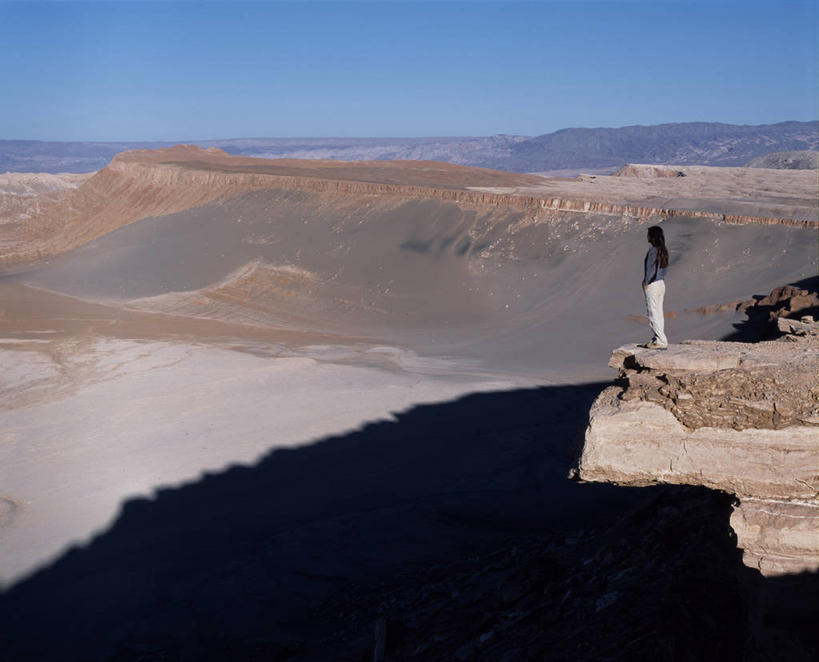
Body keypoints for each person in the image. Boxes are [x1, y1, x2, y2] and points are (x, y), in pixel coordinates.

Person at [641, 225, 669, 349]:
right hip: (661, 283)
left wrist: (646, 282)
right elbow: (665, 268)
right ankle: (658, 338)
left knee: (653, 313)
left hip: (652, 285)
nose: (647, 236)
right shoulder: (663, 250)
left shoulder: (653, 250)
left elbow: (651, 269)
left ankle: (662, 341)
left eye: (649, 234)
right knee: (659, 312)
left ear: (653, 236)